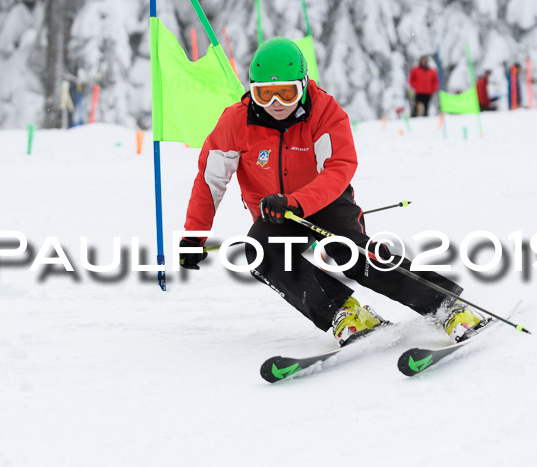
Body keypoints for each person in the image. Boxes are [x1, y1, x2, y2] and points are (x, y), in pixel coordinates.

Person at [180, 37, 484, 347]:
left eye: (286, 93)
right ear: (253, 89)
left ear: (303, 84)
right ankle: (346, 312)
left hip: (325, 200)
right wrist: (194, 235)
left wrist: (297, 202)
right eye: (265, 94)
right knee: (261, 252)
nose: (276, 104)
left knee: (349, 251)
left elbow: (339, 167)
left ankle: (447, 306)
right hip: (274, 212)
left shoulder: (324, 110)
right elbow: (209, 181)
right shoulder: (235, 122)